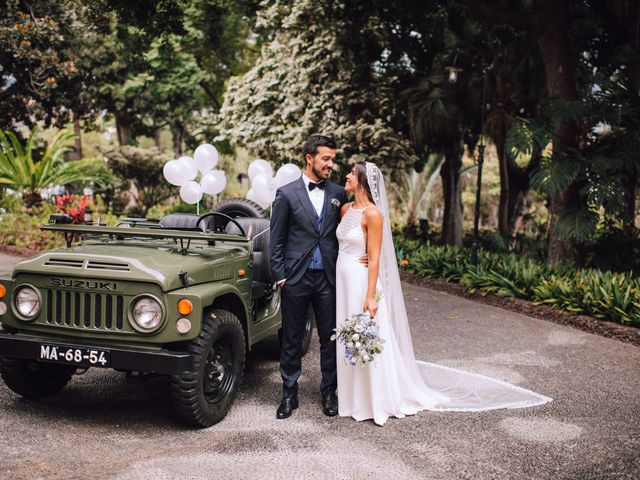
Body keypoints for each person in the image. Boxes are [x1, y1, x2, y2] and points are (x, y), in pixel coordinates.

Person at [336, 161, 552, 426]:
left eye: (351, 173)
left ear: (361, 180)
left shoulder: (373, 214)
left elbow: (376, 258)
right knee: (348, 337)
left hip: (361, 282)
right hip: (343, 280)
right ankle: (350, 396)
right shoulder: (346, 209)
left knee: (368, 337)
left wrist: (370, 295)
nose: (345, 176)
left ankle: (373, 400)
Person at [270, 134, 348, 419]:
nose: (331, 164)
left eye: (333, 159)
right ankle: (289, 394)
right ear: (309, 158)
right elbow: (276, 240)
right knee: (291, 338)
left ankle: (329, 393)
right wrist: (280, 276)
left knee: (330, 338)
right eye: (326, 159)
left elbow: (343, 234)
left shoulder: (339, 193)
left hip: (328, 278)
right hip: (295, 278)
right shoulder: (287, 194)